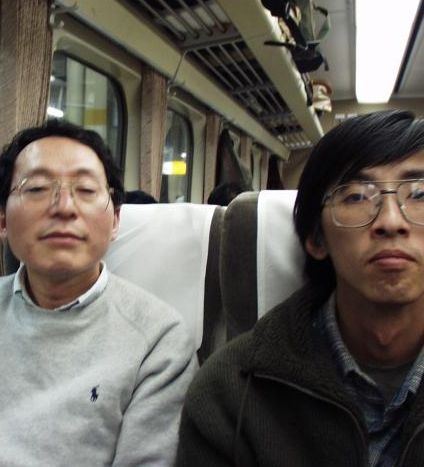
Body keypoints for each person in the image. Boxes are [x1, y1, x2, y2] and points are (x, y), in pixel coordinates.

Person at [0, 120, 197, 466]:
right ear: (1, 221)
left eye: (86, 190)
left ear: (115, 220)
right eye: (38, 188)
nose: (64, 207)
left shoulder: (159, 340)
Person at [177, 110, 424, 466]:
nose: (390, 221)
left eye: (418, 193)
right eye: (356, 196)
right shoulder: (229, 390)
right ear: (316, 238)